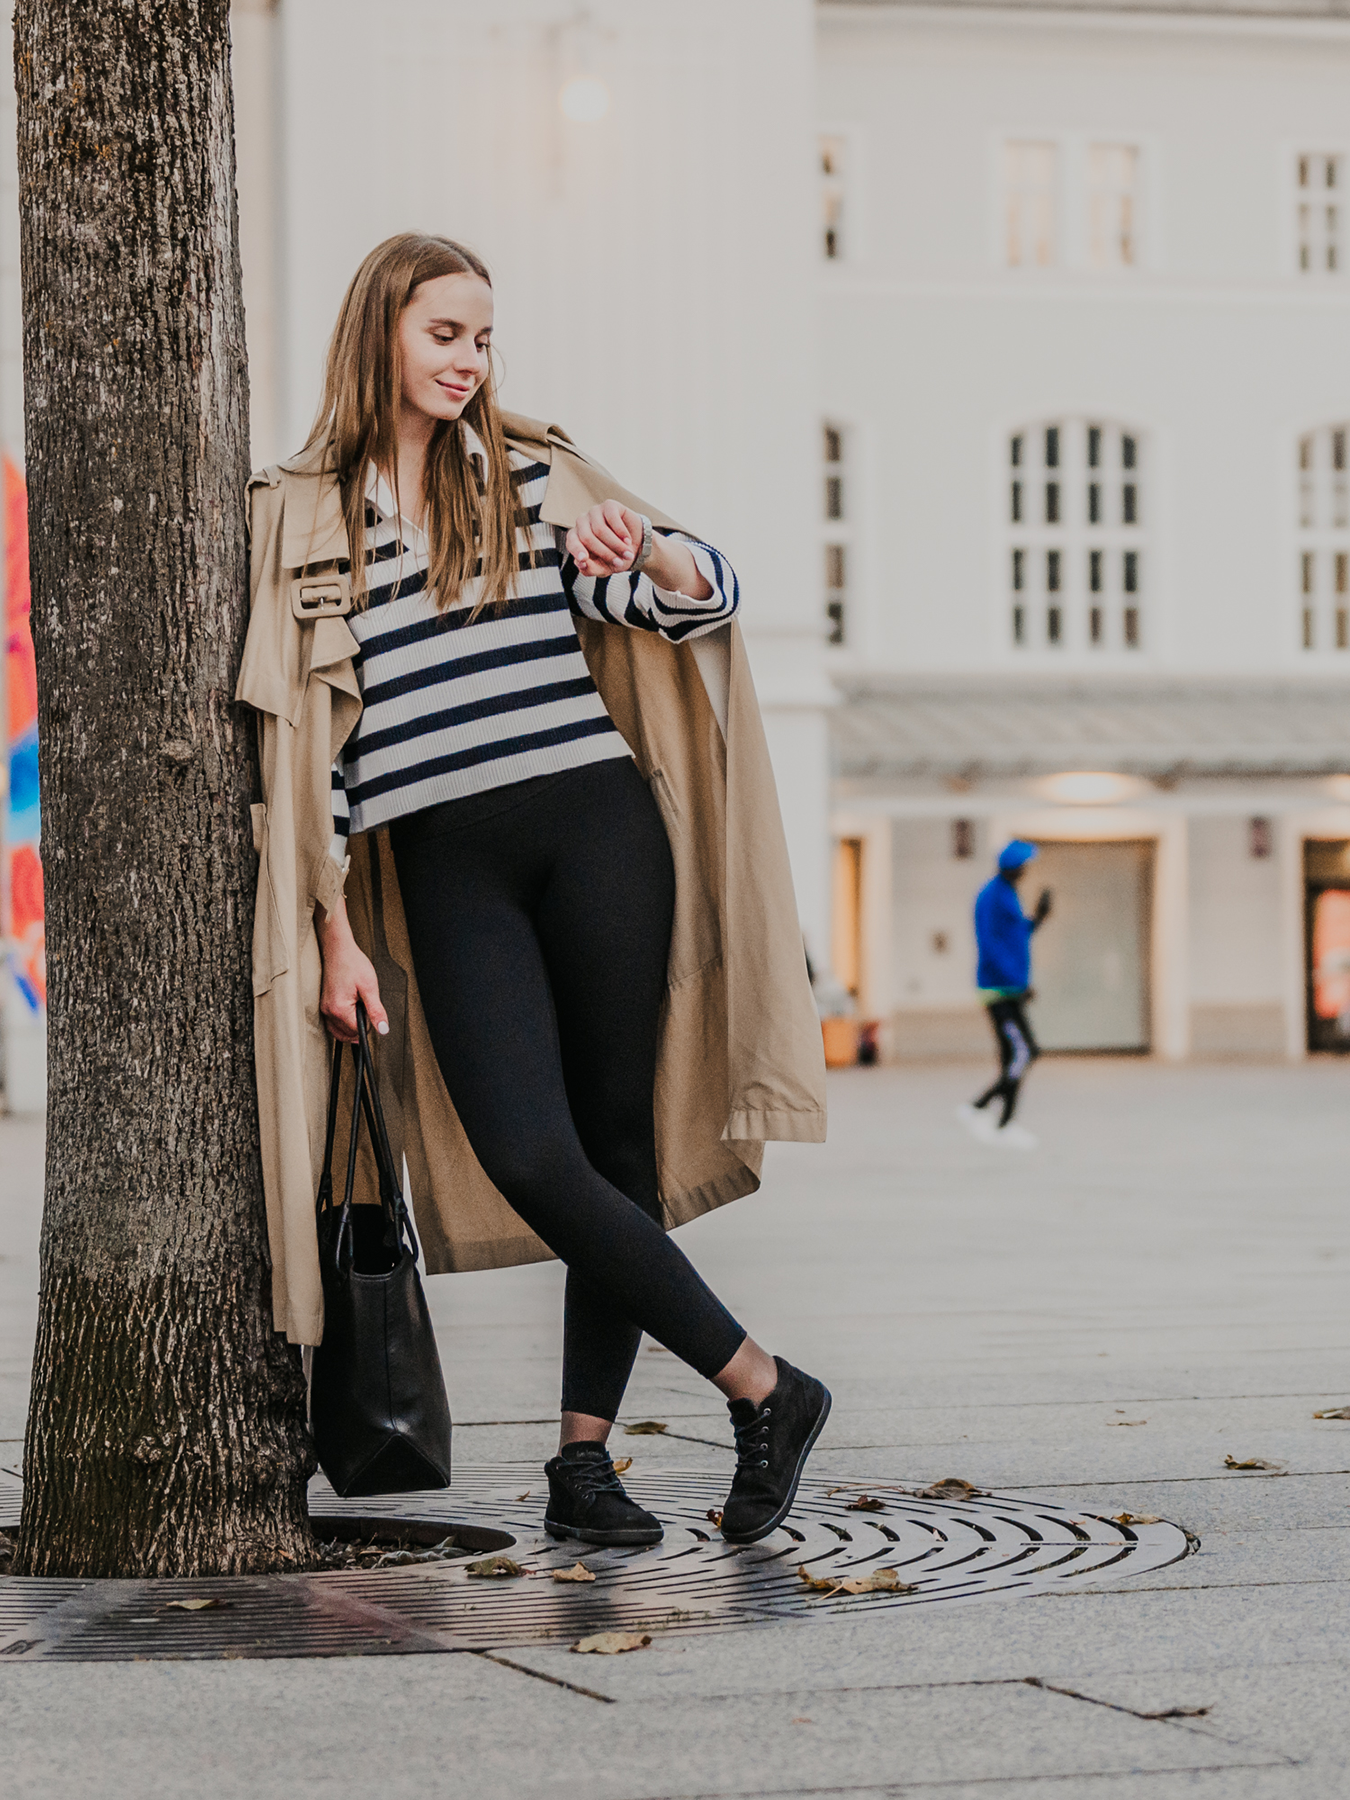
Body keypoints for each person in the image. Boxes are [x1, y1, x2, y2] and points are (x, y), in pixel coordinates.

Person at [237, 233, 831, 1550]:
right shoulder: (303, 512)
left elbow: (695, 600)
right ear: (379, 329)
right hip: (448, 865)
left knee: (611, 1155)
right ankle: (762, 1387)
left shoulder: (530, 473)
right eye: (444, 333)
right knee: (527, 1151)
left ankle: (583, 1464)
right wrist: (334, 931)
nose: (468, 360)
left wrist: (657, 558)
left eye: (483, 338)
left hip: (597, 830)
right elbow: (311, 752)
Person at [958, 840, 1052, 1150]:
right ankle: (982, 1109)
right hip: (999, 989)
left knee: (1016, 1055)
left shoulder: (1006, 895)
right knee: (1025, 1052)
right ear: (1013, 867)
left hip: (1009, 987)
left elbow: (1015, 936)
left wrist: (1037, 918)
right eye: (1024, 865)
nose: (1027, 871)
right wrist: (1017, 982)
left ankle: (1000, 1120)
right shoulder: (992, 897)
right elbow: (991, 945)